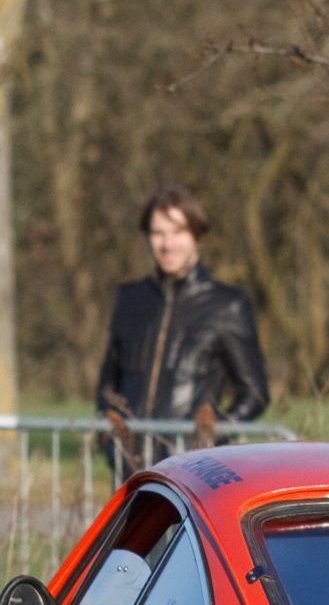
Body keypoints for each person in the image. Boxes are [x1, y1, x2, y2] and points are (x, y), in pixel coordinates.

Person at [95, 184, 270, 475]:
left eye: (178, 232)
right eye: (158, 233)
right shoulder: (130, 299)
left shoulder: (227, 304)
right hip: (130, 473)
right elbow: (107, 386)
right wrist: (112, 442)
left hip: (191, 474)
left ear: (198, 236)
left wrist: (208, 439)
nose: (167, 244)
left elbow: (255, 394)